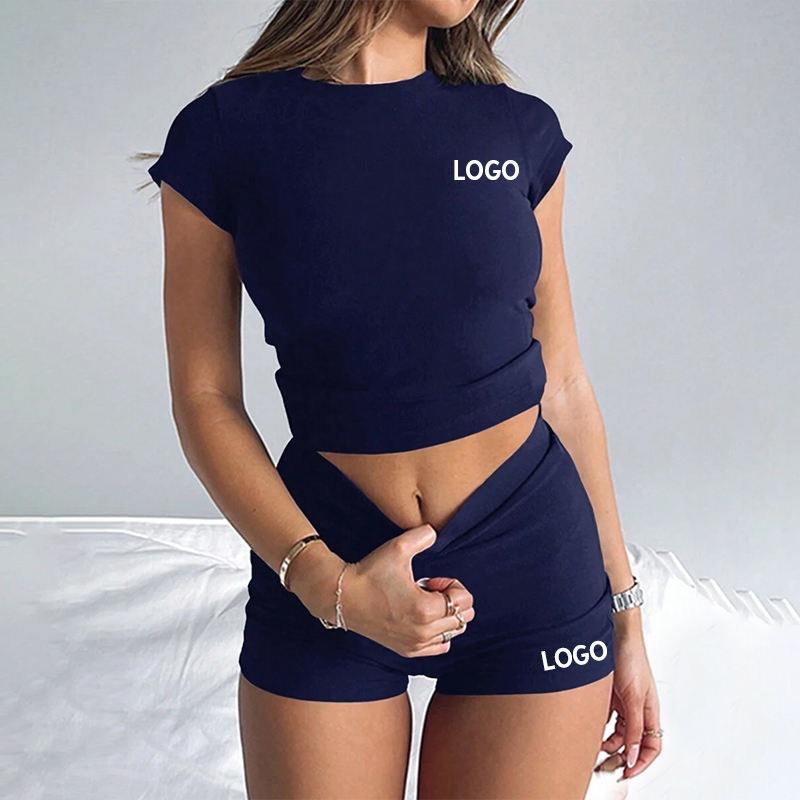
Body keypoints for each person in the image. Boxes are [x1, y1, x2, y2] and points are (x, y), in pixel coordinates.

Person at [145, 1, 662, 797]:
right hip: (324, 551)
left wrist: (625, 614)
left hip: (534, 560)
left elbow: (562, 383)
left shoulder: (515, 130)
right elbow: (204, 396)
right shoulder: (225, 133)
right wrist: (327, 584)